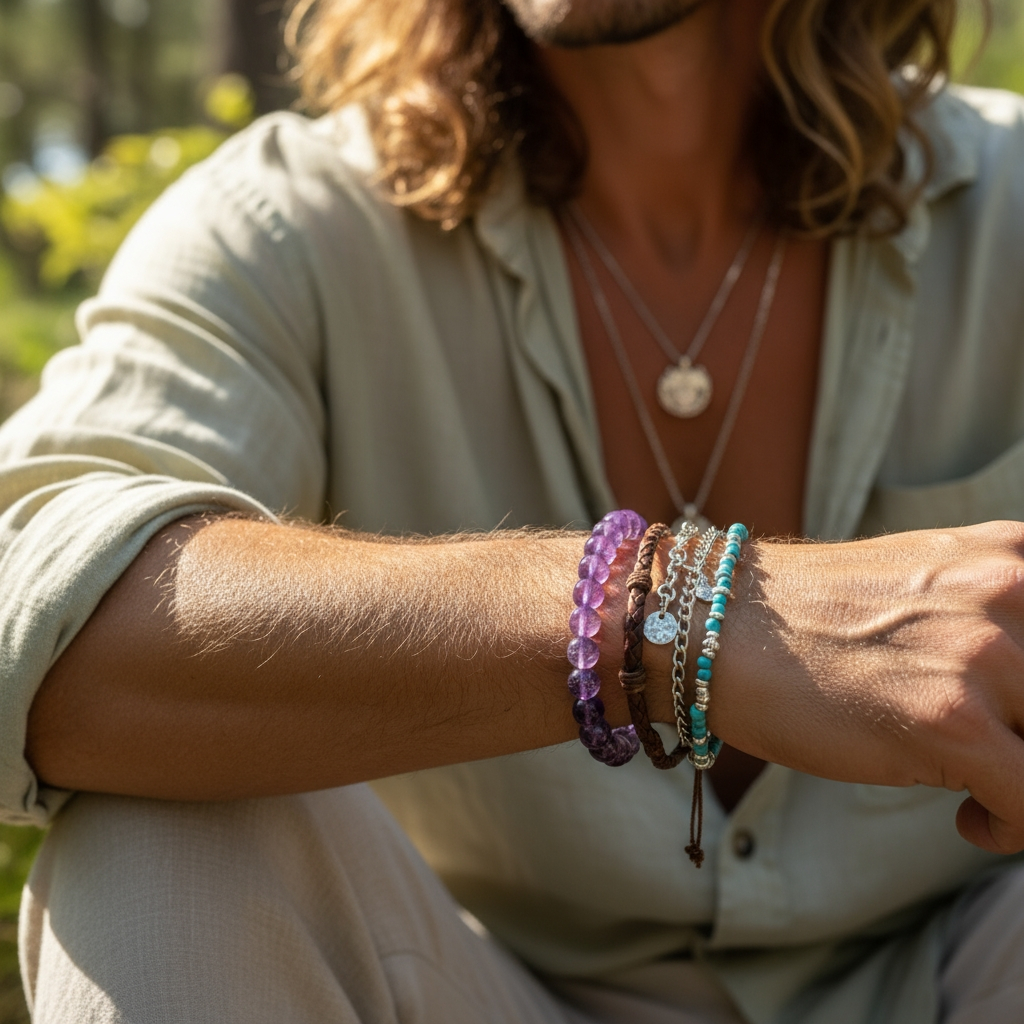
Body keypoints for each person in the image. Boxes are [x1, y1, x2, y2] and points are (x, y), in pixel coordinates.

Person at [2, 0, 1024, 1020]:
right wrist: (683, 618)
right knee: (157, 846)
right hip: (476, 990)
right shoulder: (287, 227)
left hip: (969, 975)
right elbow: (33, 596)